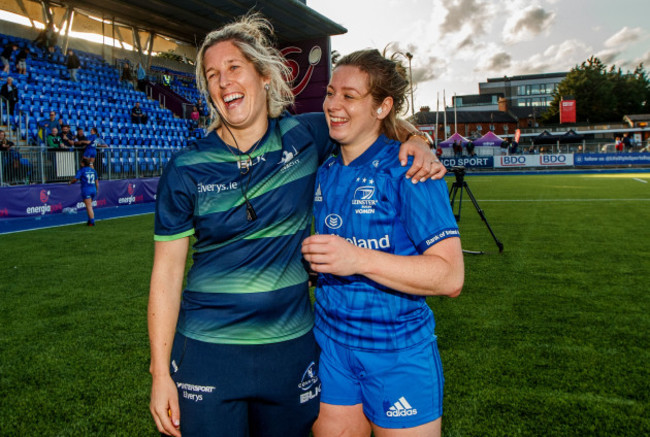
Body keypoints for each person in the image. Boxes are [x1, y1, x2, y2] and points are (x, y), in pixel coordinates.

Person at [148, 13, 445, 437]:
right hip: (207, 350)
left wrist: (417, 141)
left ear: (264, 76)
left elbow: (370, 120)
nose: (223, 81)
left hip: (290, 351)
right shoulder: (185, 167)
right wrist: (160, 373)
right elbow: (166, 274)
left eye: (234, 68)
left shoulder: (306, 136)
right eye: (212, 74)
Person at [302, 49, 464, 437]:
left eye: (350, 96)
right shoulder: (323, 168)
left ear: (382, 107)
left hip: (398, 351)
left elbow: (450, 277)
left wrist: (356, 258)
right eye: (330, 93)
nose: (333, 105)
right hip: (331, 347)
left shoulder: (411, 169)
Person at [68, 157, 98, 226]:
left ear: (83, 163)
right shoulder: (93, 170)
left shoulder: (82, 170)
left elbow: (76, 179)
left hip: (86, 189)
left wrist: (70, 182)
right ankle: (90, 220)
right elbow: (97, 181)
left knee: (89, 206)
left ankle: (92, 222)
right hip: (93, 189)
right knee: (89, 205)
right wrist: (97, 189)